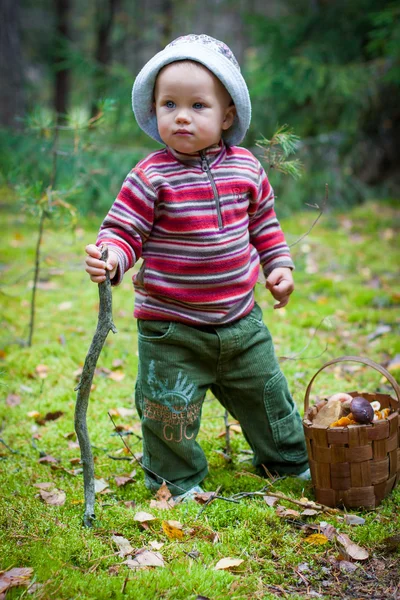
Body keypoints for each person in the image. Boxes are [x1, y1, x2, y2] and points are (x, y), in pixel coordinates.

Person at [85, 34, 309, 498]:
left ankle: (289, 462)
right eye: (169, 103)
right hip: (173, 330)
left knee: (269, 398)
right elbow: (125, 230)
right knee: (169, 412)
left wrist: (279, 266)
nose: (181, 115)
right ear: (154, 110)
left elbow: (264, 223)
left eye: (198, 106)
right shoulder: (151, 176)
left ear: (227, 116)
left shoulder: (246, 169)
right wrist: (111, 257)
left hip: (241, 324)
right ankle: (177, 482)